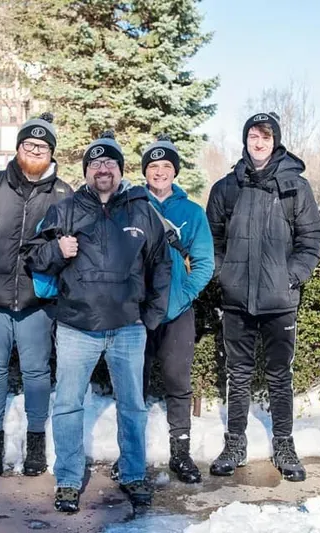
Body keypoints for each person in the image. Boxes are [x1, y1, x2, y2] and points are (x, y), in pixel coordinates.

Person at [23, 131, 172, 513]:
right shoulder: (65, 210)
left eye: (109, 162)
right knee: (68, 405)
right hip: (77, 327)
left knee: (133, 406)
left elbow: (161, 265)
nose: (102, 169)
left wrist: (151, 316)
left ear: (120, 170)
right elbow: (32, 256)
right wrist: (56, 249)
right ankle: (68, 479)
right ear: (86, 171)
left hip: (128, 328)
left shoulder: (141, 210)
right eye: (95, 163)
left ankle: (133, 473)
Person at [205, 112, 320, 482]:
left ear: (276, 142)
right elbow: (211, 240)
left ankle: (285, 444)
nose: (259, 143)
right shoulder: (227, 188)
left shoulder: (295, 187)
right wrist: (224, 274)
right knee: (237, 374)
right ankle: (235, 443)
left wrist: (291, 277)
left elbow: (311, 239)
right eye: (253, 136)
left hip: (279, 302)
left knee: (279, 375)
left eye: (266, 137)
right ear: (245, 140)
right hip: (237, 299)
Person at [0, 112, 72, 477]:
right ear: (18, 147)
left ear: (51, 152)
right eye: (29, 144)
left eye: (42, 146)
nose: (35, 151)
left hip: (36, 303)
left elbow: (70, 246)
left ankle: (36, 442)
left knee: (37, 373)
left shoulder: (63, 195)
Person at [139, 135, 214, 483]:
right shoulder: (132, 205)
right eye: (153, 166)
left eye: (166, 166)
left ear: (175, 171)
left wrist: (185, 294)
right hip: (137, 312)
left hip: (176, 311)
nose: (159, 172)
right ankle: (131, 453)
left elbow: (204, 263)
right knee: (133, 385)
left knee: (178, 383)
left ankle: (181, 453)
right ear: (145, 171)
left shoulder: (192, 212)